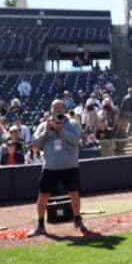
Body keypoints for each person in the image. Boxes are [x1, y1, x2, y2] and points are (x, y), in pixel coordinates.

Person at [28, 99, 87, 236]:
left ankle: (78, 220)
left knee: (74, 193)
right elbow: (34, 144)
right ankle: (41, 225)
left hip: (70, 166)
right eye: (55, 108)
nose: (58, 110)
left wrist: (61, 130)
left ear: (65, 109)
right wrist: (46, 133)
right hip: (50, 167)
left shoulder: (73, 123)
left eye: (60, 107)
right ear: (50, 109)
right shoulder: (43, 125)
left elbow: (76, 140)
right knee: (43, 196)